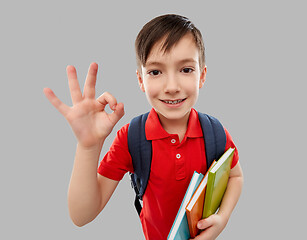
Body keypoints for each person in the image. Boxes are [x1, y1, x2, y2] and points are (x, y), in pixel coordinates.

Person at [43, 14, 243, 240]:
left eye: (186, 69)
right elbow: (81, 216)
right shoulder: (132, 138)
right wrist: (88, 147)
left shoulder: (214, 132)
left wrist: (223, 218)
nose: (172, 86)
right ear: (140, 80)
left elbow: (236, 177)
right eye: (155, 72)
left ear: (202, 76)